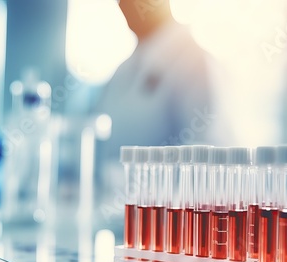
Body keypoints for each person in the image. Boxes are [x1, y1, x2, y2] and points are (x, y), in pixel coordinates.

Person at [91, 0, 225, 200]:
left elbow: (206, 159)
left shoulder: (194, 60)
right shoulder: (123, 70)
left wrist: (124, 178)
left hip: (164, 218)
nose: (123, 5)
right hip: (117, 213)